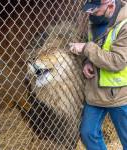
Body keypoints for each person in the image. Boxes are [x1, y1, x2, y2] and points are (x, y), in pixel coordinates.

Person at [69, 0, 127, 149]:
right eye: (89, 9)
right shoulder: (94, 19)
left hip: (119, 94)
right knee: (88, 134)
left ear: (110, 6)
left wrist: (86, 49)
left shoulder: (125, 24)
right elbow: (97, 47)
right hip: (95, 92)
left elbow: (118, 61)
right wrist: (87, 62)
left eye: (94, 10)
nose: (89, 13)